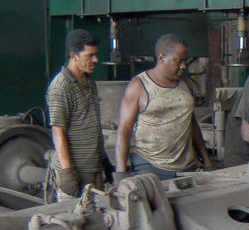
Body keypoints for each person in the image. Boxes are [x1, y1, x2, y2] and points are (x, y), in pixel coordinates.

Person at [115, 33, 211, 180]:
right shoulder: (139, 86)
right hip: (150, 167)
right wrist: (121, 173)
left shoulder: (187, 84)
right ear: (162, 58)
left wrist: (207, 161)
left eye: (185, 61)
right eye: (178, 61)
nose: (183, 66)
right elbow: (125, 130)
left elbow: (191, 124)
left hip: (187, 168)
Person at [46, 28, 106, 198]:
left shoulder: (89, 82)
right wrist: (67, 172)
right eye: (90, 55)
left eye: (96, 55)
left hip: (93, 169)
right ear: (73, 56)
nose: (96, 60)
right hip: (75, 173)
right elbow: (58, 131)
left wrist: (104, 160)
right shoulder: (61, 86)